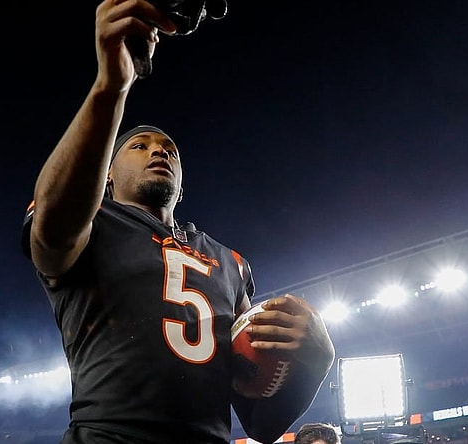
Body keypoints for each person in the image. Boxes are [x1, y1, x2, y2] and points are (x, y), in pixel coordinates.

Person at [20, 1, 336, 443]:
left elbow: (261, 422)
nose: (158, 150)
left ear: (182, 185)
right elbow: (53, 224)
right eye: (139, 145)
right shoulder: (92, 221)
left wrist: (317, 361)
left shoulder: (230, 262)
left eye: (169, 148)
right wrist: (111, 87)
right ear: (106, 175)